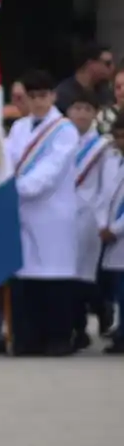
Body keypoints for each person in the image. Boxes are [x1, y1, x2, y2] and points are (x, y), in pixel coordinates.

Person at [7, 71, 81, 356]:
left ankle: (58, 338)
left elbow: (51, 170)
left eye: (43, 96)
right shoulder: (19, 128)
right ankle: (27, 338)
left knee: (54, 276)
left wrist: (17, 188)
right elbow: (8, 160)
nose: (38, 102)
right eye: (33, 96)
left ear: (53, 96)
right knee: (25, 276)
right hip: (22, 212)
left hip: (53, 214)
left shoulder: (65, 130)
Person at [68, 95, 108, 349]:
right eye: (77, 108)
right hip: (64, 215)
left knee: (85, 275)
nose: (81, 113)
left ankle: (90, 318)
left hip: (90, 216)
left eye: (87, 108)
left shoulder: (102, 147)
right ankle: (76, 327)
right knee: (68, 274)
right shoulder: (61, 142)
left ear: (95, 114)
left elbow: (106, 184)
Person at [98, 114, 124, 354]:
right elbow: (103, 196)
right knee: (117, 289)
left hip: (119, 232)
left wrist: (115, 229)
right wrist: (102, 226)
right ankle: (120, 331)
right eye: (118, 136)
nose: (121, 141)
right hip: (111, 235)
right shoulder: (112, 160)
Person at [54, 41, 114, 114]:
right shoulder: (63, 95)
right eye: (107, 63)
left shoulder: (106, 92)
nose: (112, 67)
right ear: (90, 64)